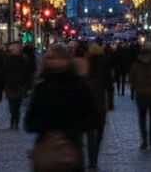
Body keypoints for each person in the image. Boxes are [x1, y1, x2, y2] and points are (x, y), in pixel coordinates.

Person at [25, 43, 98, 171]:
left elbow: (92, 117)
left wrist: (68, 130)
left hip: (70, 149)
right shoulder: (42, 87)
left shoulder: (79, 85)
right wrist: (49, 130)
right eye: (51, 58)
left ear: (67, 60)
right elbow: (29, 121)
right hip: (47, 150)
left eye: (59, 58)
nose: (55, 62)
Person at [128, 41, 151, 150]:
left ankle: (144, 141)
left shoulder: (136, 64)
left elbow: (131, 78)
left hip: (141, 94)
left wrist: (132, 91)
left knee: (142, 118)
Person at [85, 42, 113, 167]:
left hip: (88, 102)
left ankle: (92, 159)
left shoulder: (85, 64)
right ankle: (95, 154)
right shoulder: (105, 64)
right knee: (100, 130)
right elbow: (109, 84)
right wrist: (110, 102)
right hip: (101, 100)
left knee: (90, 132)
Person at [1, 42, 32, 129]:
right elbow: (27, 73)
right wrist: (27, 84)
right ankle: (16, 120)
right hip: (19, 85)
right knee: (17, 104)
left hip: (11, 84)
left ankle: (13, 119)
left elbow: (3, 72)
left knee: (12, 103)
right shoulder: (23, 59)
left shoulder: (7, 60)